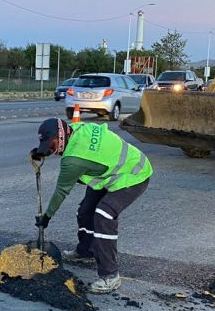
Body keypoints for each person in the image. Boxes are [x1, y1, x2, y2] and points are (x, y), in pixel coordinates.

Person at [30, 117, 152, 293]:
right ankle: (85, 251)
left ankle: (110, 276)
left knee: (104, 215)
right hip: (110, 172)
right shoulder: (75, 129)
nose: (52, 149)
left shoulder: (73, 160)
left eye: (52, 145)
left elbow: (61, 191)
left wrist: (46, 217)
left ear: (62, 138)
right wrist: (44, 151)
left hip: (134, 174)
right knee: (86, 211)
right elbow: (66, 146)